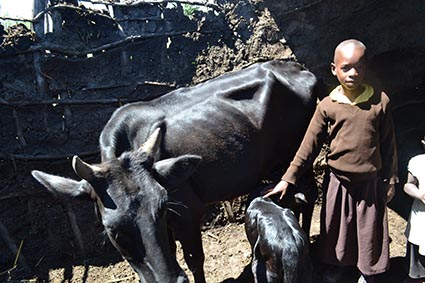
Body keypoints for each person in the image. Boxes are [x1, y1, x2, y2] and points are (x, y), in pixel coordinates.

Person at [264, 39, 398, 283]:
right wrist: (288, 179)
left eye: (359, 66)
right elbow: (309, 146)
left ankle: (368, 272)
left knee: (369, 231)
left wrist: (391, 179)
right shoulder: (327, 106)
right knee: (338, 228)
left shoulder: (380, 102)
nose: (353, 73)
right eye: (346, 67)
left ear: (366, 67)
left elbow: (389, 145)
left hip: (369, 182)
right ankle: (338, 267)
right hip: (338, 181)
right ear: (334, 69)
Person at [403, 136, 425, 283]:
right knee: (418, 249)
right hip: (421, 215)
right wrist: (419, 195)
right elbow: (408, 185)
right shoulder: (417, 162)